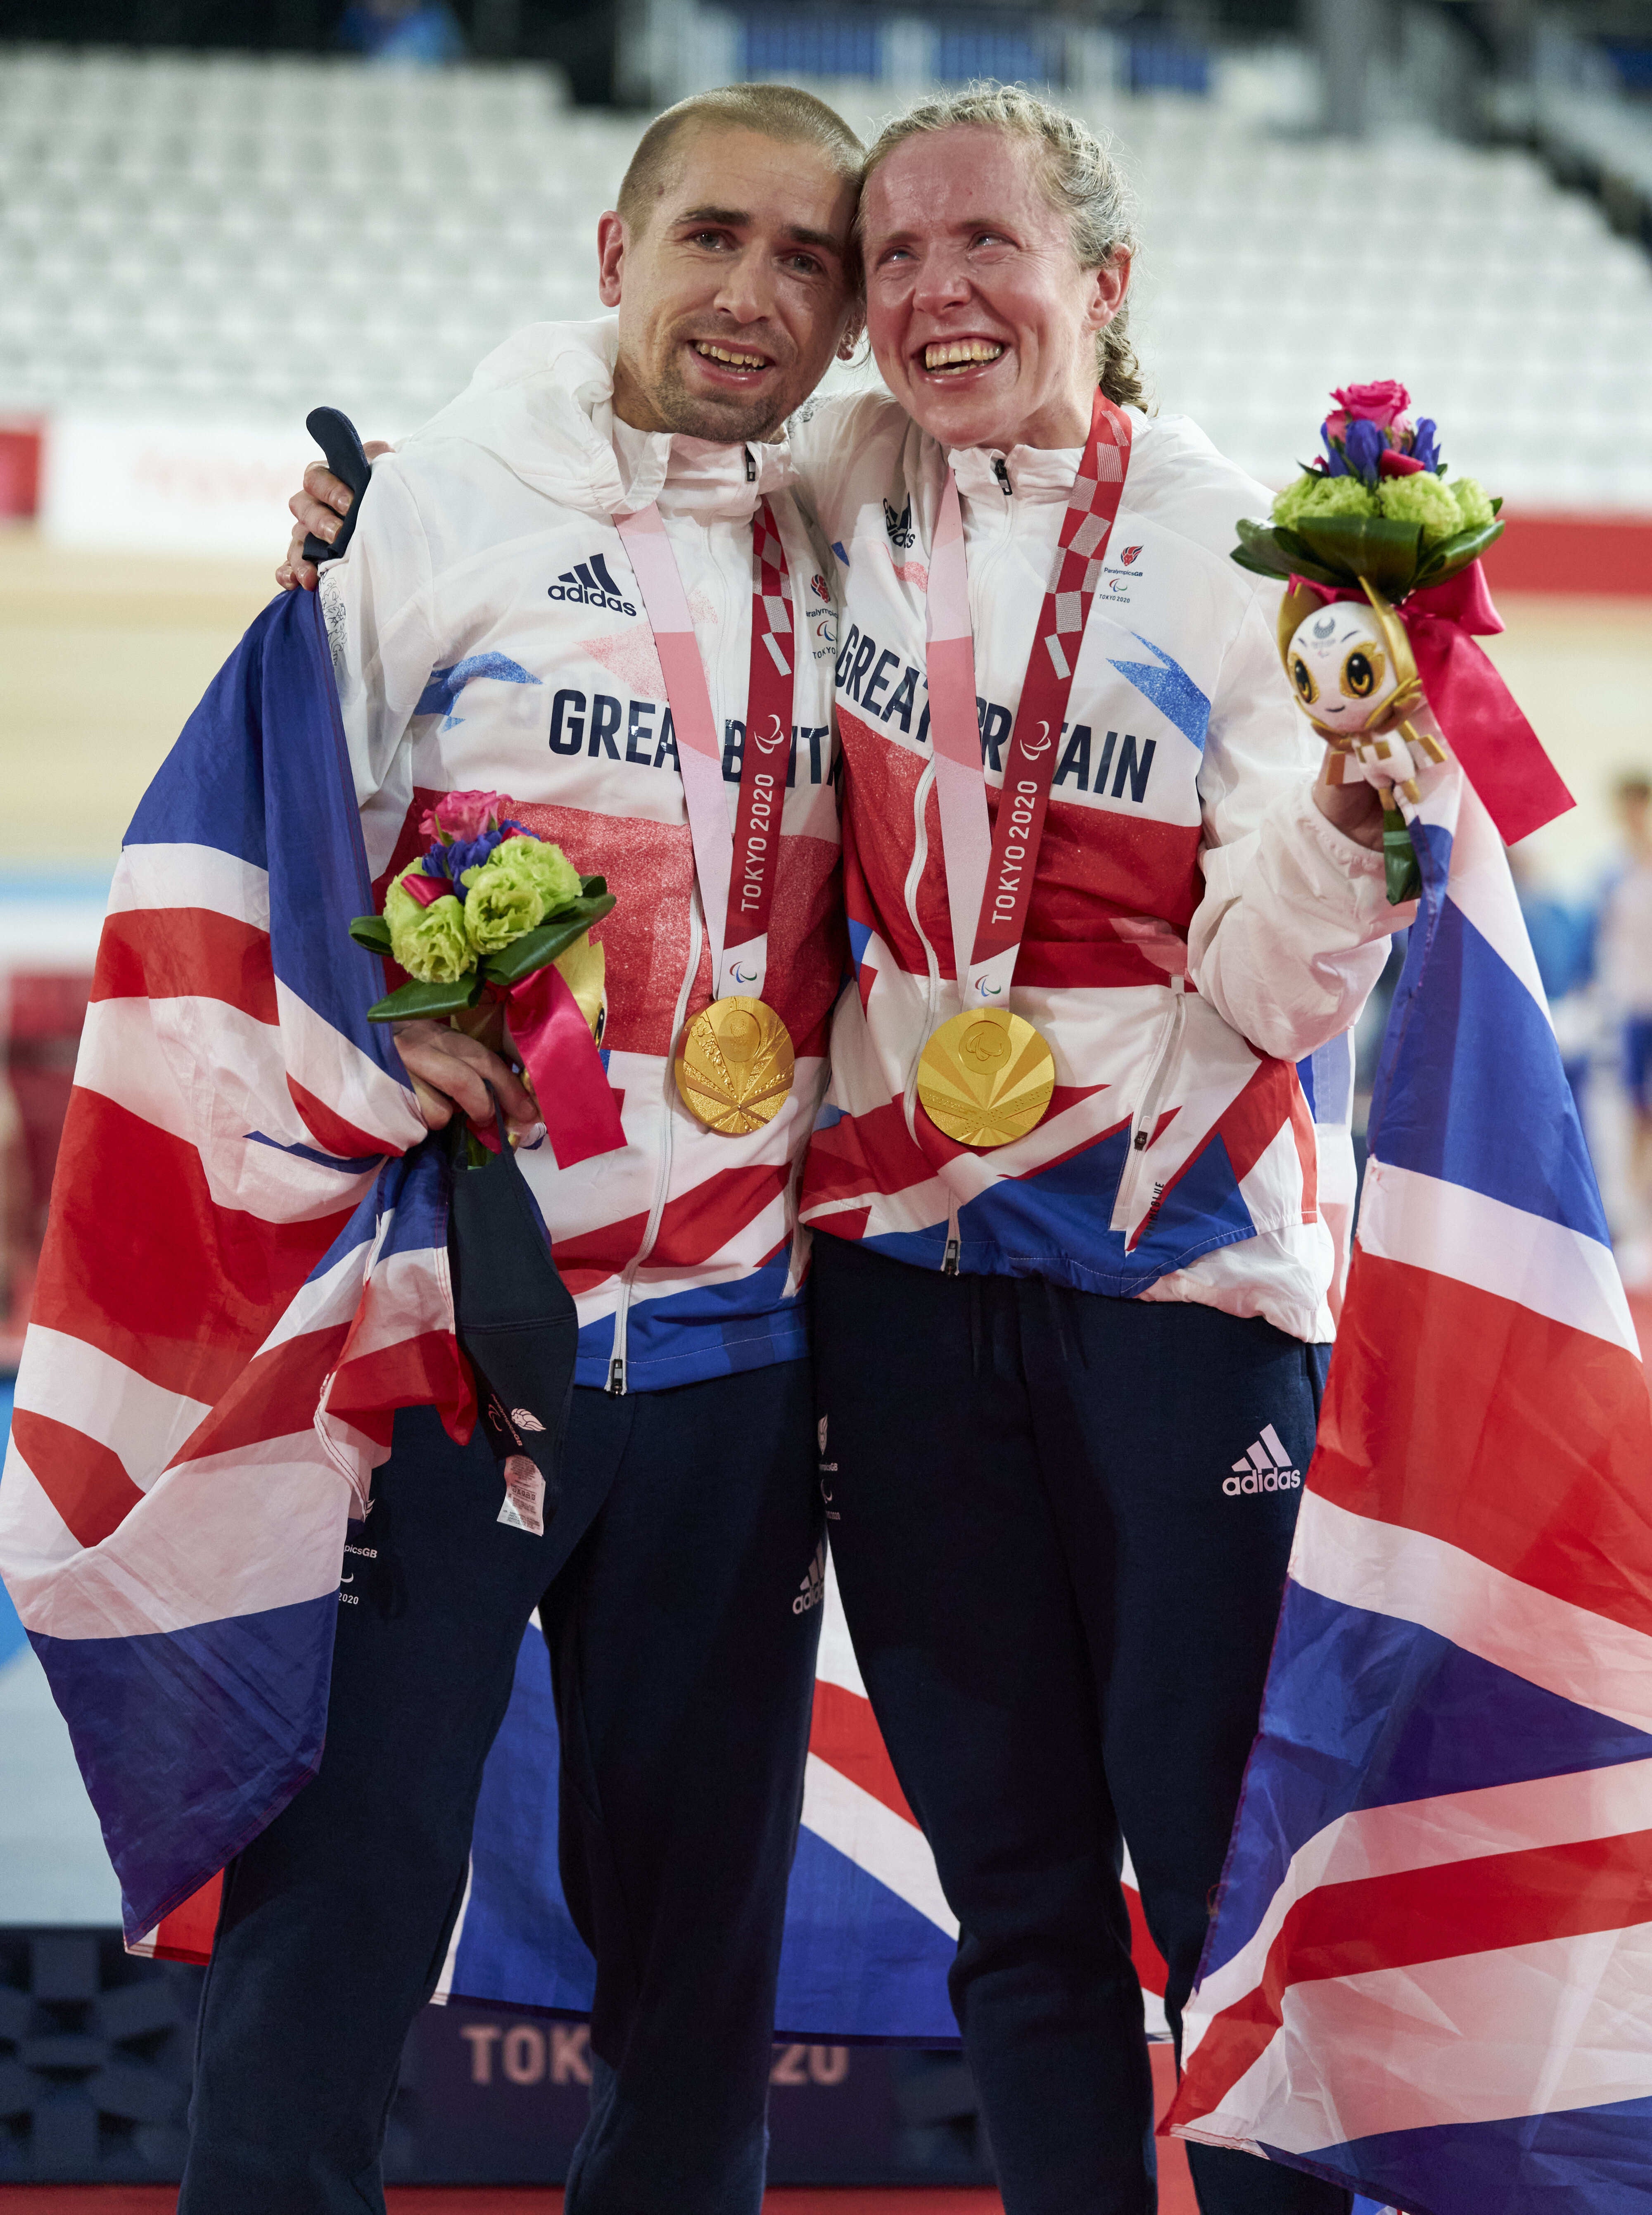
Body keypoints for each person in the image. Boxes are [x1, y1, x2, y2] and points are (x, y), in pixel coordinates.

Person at [280, 83, 1401, 2215]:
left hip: (1176, 1283)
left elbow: (1275, 988)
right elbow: (612, 445)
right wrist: (373, 517)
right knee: (1020, 1897)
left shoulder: (1246, 551)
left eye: (982, 247)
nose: (926, 293)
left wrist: (1349, 831)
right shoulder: (843, 477)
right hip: (896, 1288)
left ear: (1108, 285)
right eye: (894, 256)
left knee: (1227, 1872)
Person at [190, 83, 862, 2215]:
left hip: (744, 1350)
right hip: (455, 1331)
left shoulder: (868, 537)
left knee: (699, 1937)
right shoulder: (432, 506)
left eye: (807, 257)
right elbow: (267, 843)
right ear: (612, 253)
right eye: (714, 239)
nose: (755, 293)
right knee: (352, 1877)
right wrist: (382, 1007)